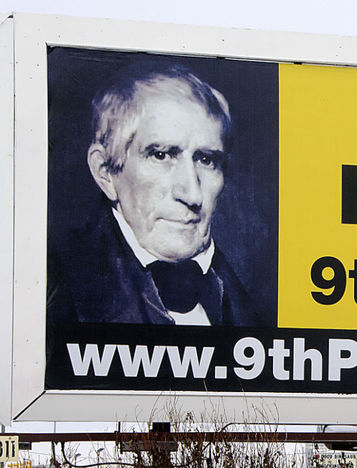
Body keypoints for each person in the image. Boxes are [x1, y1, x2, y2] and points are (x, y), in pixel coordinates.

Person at [48, 63, 262, 326]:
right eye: (161, 155)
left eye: (206, 160)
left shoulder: (247, 308)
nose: (193, 195)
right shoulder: (53, 288)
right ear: (105, 172)